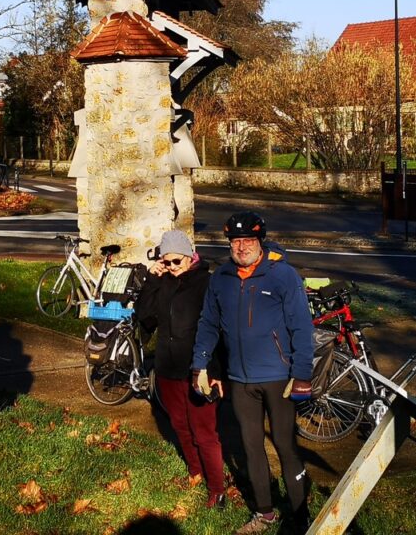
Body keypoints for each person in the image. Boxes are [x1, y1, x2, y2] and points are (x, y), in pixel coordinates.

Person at [191, 211, 313, 534]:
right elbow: (208, 323)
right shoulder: (221, 278)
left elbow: (302, 327)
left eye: (248, 240)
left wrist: (302, 373)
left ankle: (300, 517)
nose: (241, 247)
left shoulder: (282, 275)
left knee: (285, 445)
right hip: (240, 380)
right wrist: (200, 364)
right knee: (251, 447)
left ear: (260, 242)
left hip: (278, 377)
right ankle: (265, 513)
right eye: (235, 241)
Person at [134, 230, 227, 508]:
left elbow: (218, 330)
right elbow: (145, 316)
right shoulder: (163, 281)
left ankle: (217, 489)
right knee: (180, 425)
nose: (172, 267)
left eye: (177, 261)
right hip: (167, 366)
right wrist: (152, 279)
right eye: (167, 261)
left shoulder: (206, 283)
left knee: (204, 431)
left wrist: (214, 371)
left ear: (190, 257)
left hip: (198, 368)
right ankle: (195, 470)